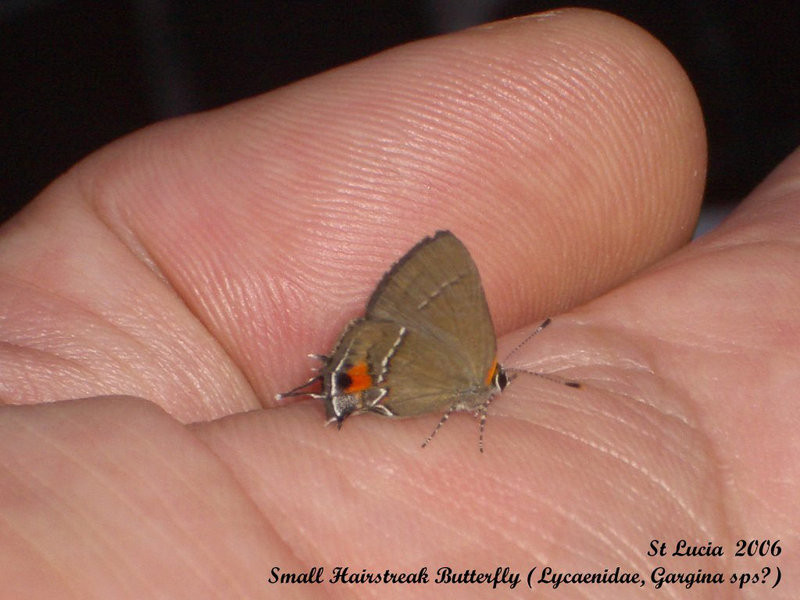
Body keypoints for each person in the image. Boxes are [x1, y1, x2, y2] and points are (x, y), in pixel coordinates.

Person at [0, 8, 794, 596]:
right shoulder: (473, 378)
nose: (498, 387)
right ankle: (346, 388)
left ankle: (343, 387)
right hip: (376, 378)